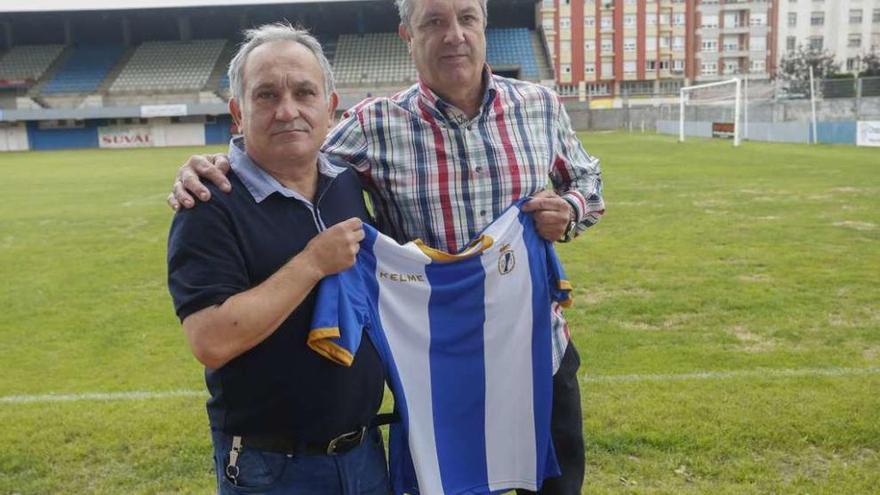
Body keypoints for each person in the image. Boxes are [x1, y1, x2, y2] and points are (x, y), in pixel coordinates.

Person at [169, 1, 605, 493]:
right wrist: (211, 167)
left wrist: (570, 208)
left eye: (467, 18)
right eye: (434, 22)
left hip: (536, 350)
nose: (454, 35)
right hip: (434, 367)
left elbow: (587, 177)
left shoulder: (539, 105)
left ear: (486, 26)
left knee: (554, 485)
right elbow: (286, 144)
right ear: (407, 36)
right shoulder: (372, 125)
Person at [166, 23, 390, 495]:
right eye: (266, 95)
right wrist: (312, 262)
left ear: (330, 108)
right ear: (238, 114)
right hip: (272, 469)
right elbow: (210, 340)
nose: (288, 110)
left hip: (366, 454)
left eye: (304, 92)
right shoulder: (209, 204)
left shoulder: (347, 183)